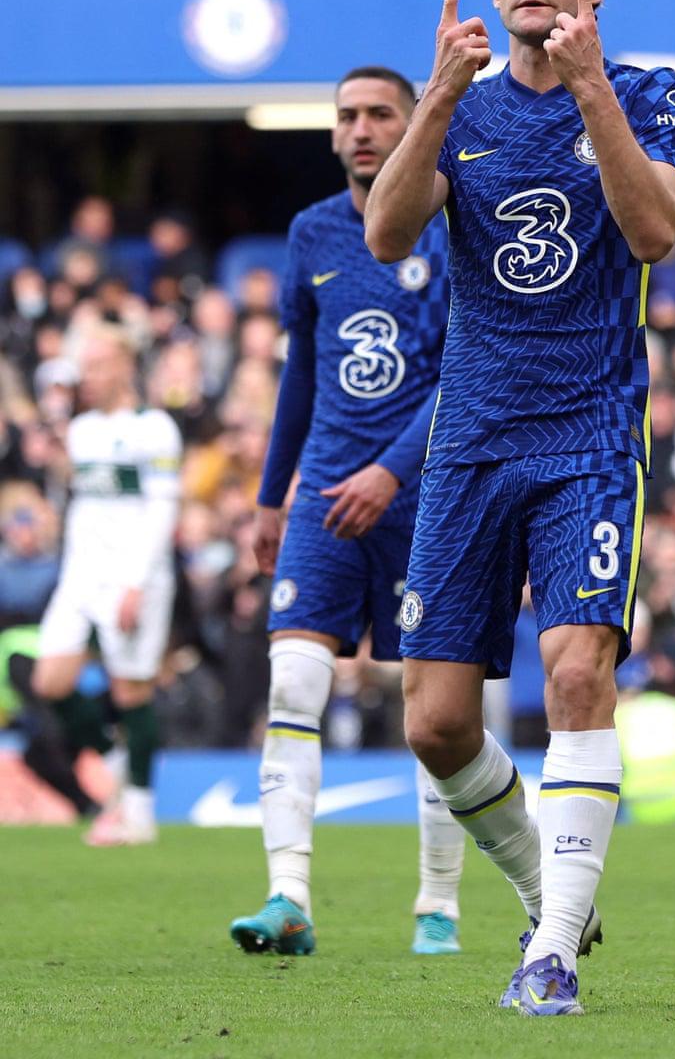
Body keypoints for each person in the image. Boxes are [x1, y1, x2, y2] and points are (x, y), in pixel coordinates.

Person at [364, 0, 675, 1016]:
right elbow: (388, 230)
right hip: (472, 436)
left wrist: (592, 84)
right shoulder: (462, 102)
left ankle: (549, 952)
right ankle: (554, 894)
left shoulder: (650, 90)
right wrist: (438, 102)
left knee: (573, 672)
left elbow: (653, 232)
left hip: (591, 429)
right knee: (437, 724)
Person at [227, 67, 465, 958]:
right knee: (293, 682)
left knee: (431, 709)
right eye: (348, 117)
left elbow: (463, 372)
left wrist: (391, 474)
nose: (362, 129)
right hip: (322, 497)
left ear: (416, 125)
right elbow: (301, 372)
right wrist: (268, 493)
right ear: (331, 134)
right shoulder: (311, 231)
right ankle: (288, 896)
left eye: (380, 115)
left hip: (426, 499)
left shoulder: (449, 227)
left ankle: (435, 904)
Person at [31, 324, 183, 845]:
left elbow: (163, 509)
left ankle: (138, 812)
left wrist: (137, 584)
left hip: (132, 575)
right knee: (50, 679)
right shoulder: (80, 431)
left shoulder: (155, 427)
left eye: (97, 365)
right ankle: (117, 764)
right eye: (84, 366)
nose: (87, 377)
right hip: (80, 575)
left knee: (131, 688)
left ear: (124, 366)